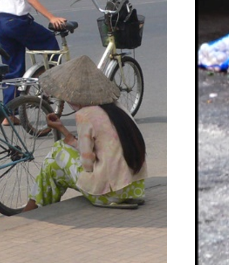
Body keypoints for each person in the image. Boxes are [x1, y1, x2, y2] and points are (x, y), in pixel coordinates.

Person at [22, 55, 147, 211]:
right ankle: (36, 205)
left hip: (110, 193)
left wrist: (67, 147)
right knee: (56, 160)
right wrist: (63, 130)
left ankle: (34, 206)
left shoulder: (85, 115)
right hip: (135, 189)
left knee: (56, 154)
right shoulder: (119, 109)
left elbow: (87, 164)